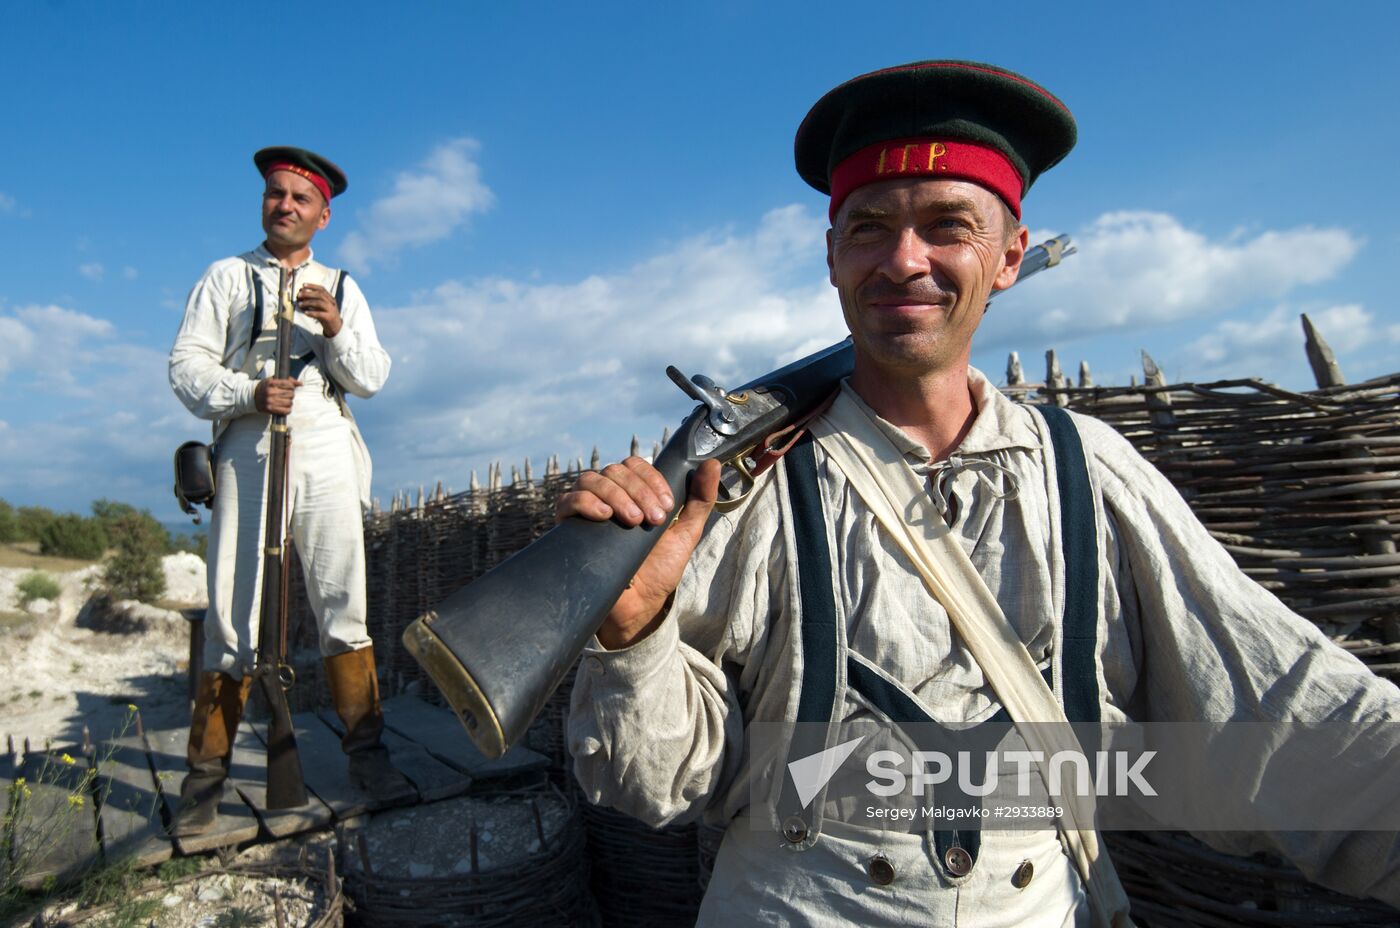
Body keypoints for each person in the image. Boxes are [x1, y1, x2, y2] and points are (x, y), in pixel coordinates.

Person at [562, 61, 1400, 925]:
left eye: (947, 226)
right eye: (869, 228)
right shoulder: (745, 489)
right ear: (832, 257)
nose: (903, 260)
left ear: (1007, 258)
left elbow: (1292, 707)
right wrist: (634, 637)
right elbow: (661, 783)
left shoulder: (1091, 471)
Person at [168, 146, 408, 835]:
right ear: (264, 202)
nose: (286, 206)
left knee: (342, 600)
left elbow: (370, 377)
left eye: (301, 200)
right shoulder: (225, 276)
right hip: (247, 442)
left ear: (323, 215)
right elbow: (186, 366)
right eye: (277, 195)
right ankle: (205, 779)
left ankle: (368, 757)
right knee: (233, 612)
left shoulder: (345, 285)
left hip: (325, 442)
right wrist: (246, 391)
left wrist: (334, 327)